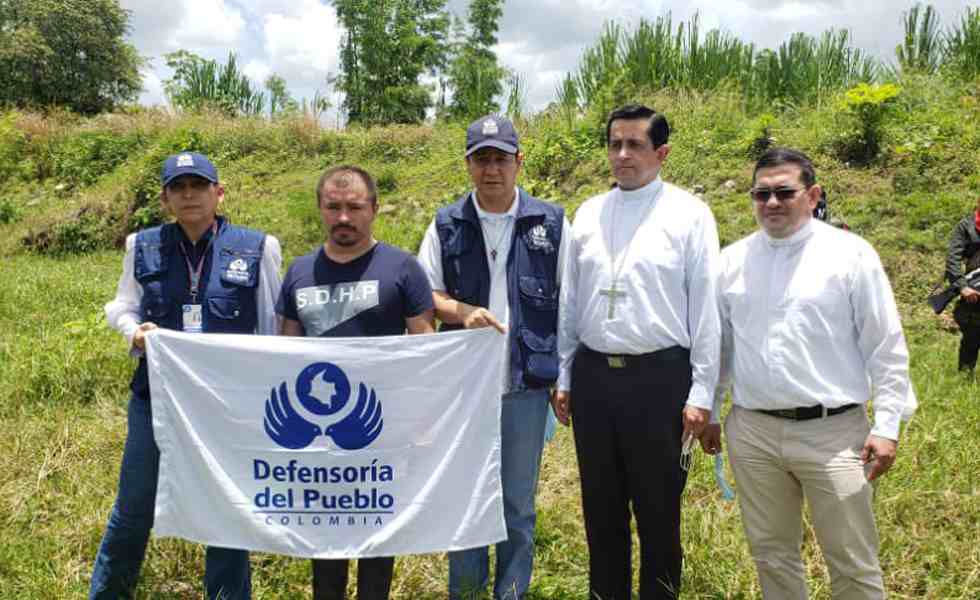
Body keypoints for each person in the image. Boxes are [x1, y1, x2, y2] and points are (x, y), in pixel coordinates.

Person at [703, 147, 917, 599]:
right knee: (771, 555)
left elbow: (886, 345)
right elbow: (719, 348)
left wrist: (888, 426)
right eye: (762, 194)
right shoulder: (731, 261)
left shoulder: (850, 255)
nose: (772, 203)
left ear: (813, 194)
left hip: (835, 434)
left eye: (784, 192)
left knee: (853, 560)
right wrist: (709, 407)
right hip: (754, 432)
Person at [92, 152, 283, 599]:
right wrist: (133, 331)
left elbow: (270, 328)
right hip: (154, 398)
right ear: (165, 198)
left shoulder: (258, 247)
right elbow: (122, 306)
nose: (189, 195)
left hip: (226, 406)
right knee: (133, 506)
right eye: (178, 187)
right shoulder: (143, 245)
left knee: (225, 508)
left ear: (219, 192)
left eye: (199, 185)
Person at [552, 104, 720, 600]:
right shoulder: (588, 213)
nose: (622, 154)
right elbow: (570, 301)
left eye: (635, 145)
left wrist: (703, 391)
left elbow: (707, 309)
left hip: (660, 381)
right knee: (601, 510)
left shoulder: (689, 214)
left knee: (658, 511)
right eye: (614, 144)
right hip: (596, 379)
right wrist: (564, 374)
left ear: (661, 153)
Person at [417, 114, 569, 600]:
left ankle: (511, 591)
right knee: (466, 494)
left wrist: (563, 378)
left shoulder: (551, 222)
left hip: (526, 384)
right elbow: (425, 295)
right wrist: (461, 311)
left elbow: (569, 302)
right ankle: (465, 590)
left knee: (517, 502)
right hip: (464, 387)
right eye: (481, 159)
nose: (491, 169)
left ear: (519, 162)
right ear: (467, 165)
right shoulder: (445, 224)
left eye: (501, 158)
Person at [277, 165, 435, 600]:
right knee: (324, 545)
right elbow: (284, 353)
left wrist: (422, 423)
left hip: (381, 431)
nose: (343, 217)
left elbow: (427, 351)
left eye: (354, 207)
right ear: (320, 209)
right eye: (334, 207)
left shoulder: (403, 268)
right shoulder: (298, 271)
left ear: (374, 209)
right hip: (317, 433)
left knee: (376, 543)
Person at [945, 194, 980, 371]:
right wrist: (962, 286)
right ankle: (965, 379)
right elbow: (953, 259)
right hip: (974, 291)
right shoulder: (966, 226)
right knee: (972, 337)